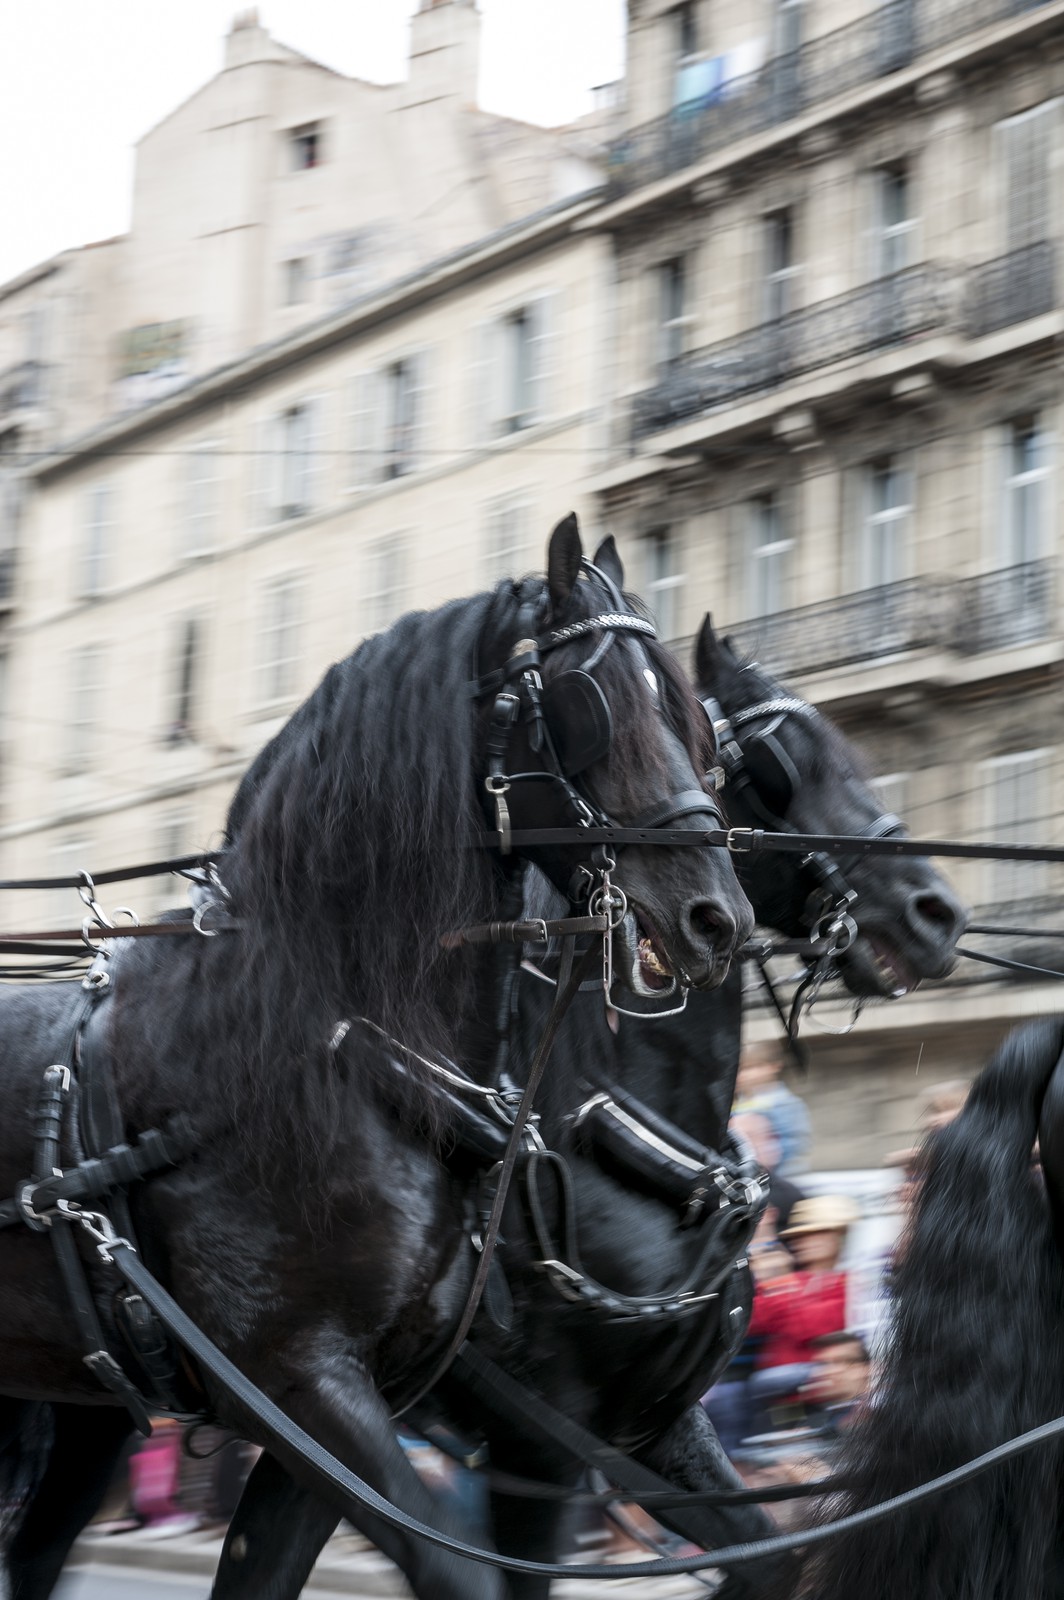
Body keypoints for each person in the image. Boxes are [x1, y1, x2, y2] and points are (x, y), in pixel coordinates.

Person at [744, 1194, 858, 1434]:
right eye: (800, 1236)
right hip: (777, 1392)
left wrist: (783, 1291)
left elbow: (813, 1329)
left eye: (815, 1234)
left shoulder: (845, 1282)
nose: (804, 1242)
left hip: (817, 1383)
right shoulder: (789, 1280)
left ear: (836, 1237)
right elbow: (754, 1320)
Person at [732, 1042, 811, 1177]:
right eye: (738, 1070)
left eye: (750, 1068)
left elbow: (793, 1143)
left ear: (774, 1066)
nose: (742, 1076)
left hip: (782, 1176)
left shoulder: (784, 1103)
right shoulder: (738, 1104)